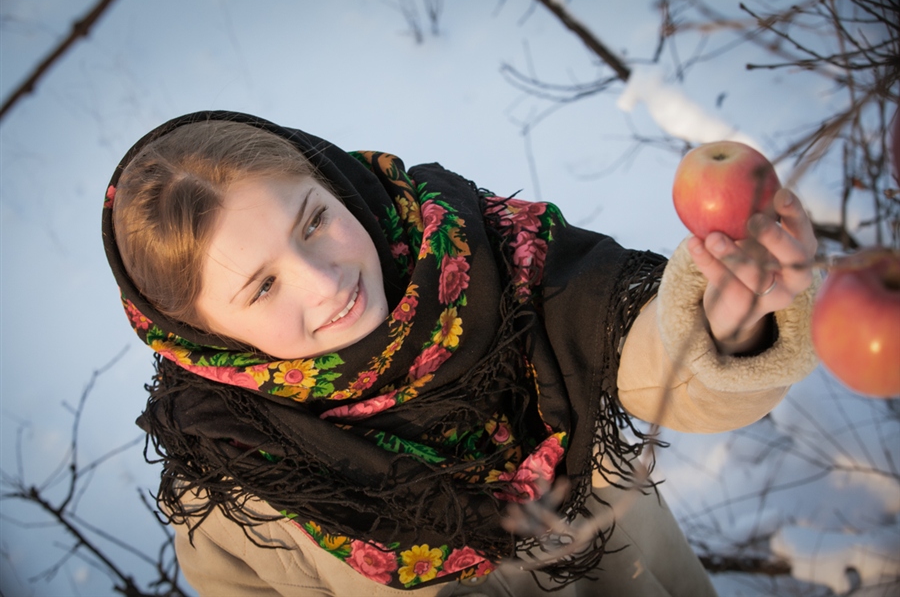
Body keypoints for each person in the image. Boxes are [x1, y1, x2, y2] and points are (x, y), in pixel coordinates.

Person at [102, 111, 820, 596]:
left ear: (337, 184)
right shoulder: (235, 502)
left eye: (315, 221)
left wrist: (721, 323)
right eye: (261, 286)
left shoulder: (494, 267)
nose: (324, 284)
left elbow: (660, 366)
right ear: (208, 339)